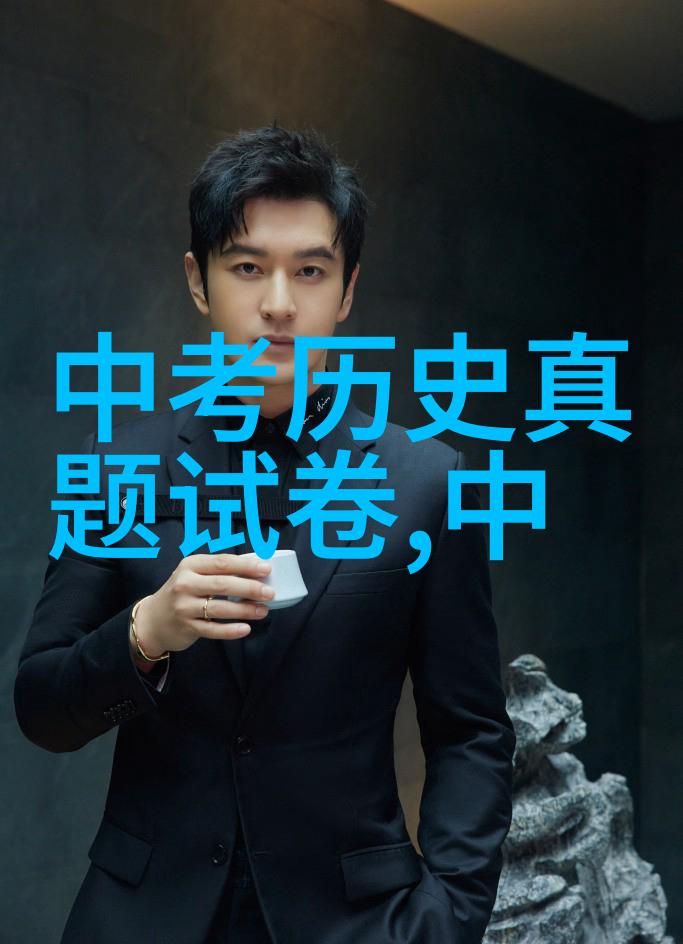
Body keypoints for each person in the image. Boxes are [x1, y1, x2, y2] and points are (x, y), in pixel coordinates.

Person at [14, 125, 516, 944]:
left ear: (346, 292)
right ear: (198, 281)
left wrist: (449, 916)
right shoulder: (115, 469)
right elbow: (41, 708)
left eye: (310, 271)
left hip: (357, 923)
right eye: (247, 267)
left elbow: (470, 731)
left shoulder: (427, 481)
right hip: (142, 918)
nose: (279, 304)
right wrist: (145, 632)